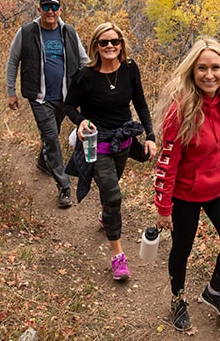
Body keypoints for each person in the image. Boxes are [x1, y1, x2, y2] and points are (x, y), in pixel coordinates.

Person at [153, 37, 220, 331]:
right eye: (202, 68)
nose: (209, 75)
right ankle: (178, 299)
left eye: (215, 67)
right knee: (182, 250)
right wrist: (163, 207)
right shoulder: (180, 111)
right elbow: (167, 162)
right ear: (192, 71)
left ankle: (213, 291)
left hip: (218, 186)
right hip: (185, 193)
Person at [64, 22, 158, 281]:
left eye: (114, 41)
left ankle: (107, 215)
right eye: (103, 42)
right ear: (95, 45)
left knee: (111, 185)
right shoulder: (86, 75)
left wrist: (150, 137)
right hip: (97, 143)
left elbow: (140, 103)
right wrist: (80, 121)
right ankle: (118, 257)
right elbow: (69, 105)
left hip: (123, 141)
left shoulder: (129, 69)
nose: (109, 46)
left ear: (121, 44)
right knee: (113, 194)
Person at [6, 0, 88, 209]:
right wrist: (10, 91)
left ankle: (44, 162)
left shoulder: (68, 32)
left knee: (52, 135)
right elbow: (13, 61)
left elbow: (83, 61)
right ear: (39, 9)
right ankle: (64, 187)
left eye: (54, 7)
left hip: (64, 97)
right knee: (51, 137)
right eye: (46, 7)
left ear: (60, 10)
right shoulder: (26, 32)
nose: (50, 11)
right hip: (39, 97)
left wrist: (95, 85)